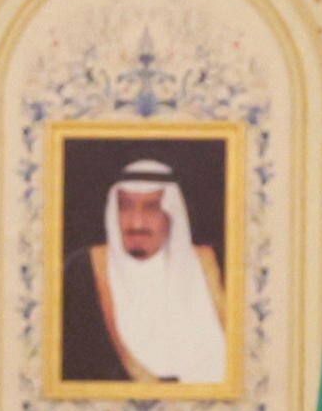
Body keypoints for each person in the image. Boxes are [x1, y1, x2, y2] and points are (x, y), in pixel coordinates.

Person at [73, 156, 232, 386]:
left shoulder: (216, 266)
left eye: (152, 208)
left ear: (171, 213)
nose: (137, 223)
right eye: (125, 207)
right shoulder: (83, 271)